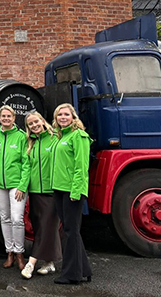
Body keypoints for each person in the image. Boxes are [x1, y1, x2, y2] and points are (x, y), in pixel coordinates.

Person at [51, 103, 93, 285]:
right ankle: (84, 269)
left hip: (71, 191)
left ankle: (71, 275)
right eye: (59, 115)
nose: (62, 117)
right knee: (70, 230)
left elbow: (81, 167)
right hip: (59, 189)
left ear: (73, 117)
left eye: (66, 114)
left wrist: (76, 192)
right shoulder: (61, 137)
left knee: (71, 231)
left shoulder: (79, 136)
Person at [20, 111, 61, 279]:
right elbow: (27, 167)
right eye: (30, 124)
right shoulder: (31, 143)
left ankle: (31, 263)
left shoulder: (55, 138)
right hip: (35, 192)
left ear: (43, 121)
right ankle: (49, 263)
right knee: (41, 228)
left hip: (53, 192)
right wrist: (23, 187)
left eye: (36, 121)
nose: (34, 125)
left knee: (47, 226)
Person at [0, 105, 30, 271]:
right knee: (4, 218)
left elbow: (27, 163)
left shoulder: (21, 137)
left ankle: (20, 253)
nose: (6, 119)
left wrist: (22, 185)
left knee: (17, 218)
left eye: (9, 116)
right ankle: (9, 252)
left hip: (16, 185)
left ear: (14, 118)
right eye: (3, 116)